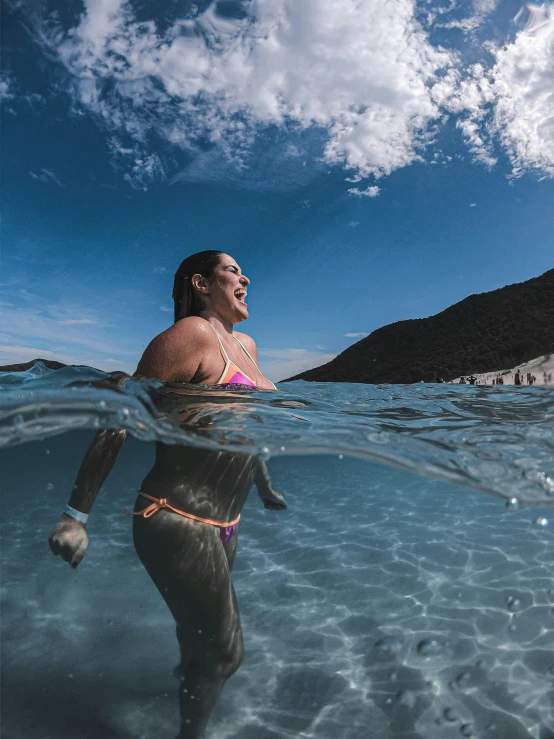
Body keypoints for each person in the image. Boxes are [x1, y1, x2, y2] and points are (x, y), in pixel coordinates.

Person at [48, 251, 288, 739]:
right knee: (225, 653)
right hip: (177, 518)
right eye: (232, 271)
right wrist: (75, 517)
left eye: (243, 271)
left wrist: (264, 485)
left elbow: (244, 429)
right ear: (201, 283)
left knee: (198, 636)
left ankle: (191, 680)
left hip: (225, 524)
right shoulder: (190, 336)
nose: (246, 277)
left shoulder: (247, 344)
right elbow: (122, 416)